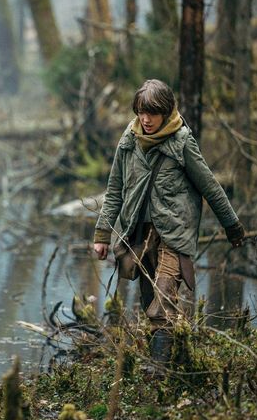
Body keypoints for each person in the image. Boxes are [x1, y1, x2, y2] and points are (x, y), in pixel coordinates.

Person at [93, 79, 245, 366]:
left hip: (174, 233)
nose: (145, 119)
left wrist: (232, 226)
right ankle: (170, 360)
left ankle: (159, 371)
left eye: (152, 113)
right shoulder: (129, 140)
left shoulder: (182, 141)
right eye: (140, 112)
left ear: (166, 111)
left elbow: (210, 186)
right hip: (140, 234)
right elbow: (114, 190)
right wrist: (102, 234)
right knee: (150, 297)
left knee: (162, 301)